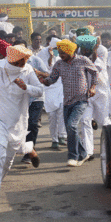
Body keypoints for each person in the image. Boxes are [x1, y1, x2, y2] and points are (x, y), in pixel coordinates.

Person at [0, 45, 43, 209]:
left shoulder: (28, 71)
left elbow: (39, 91)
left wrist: (26, 87)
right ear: (12, 60)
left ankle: (29, 148)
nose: (23, 64)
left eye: (25, 61)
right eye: (20, 61)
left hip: (17, 122)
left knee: (7, 162)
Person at [37, 39, 98, 167]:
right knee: (71, 129)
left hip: (81, 100)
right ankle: (84, 153)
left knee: (71, 126)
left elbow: (95, 72)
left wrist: (92, 87)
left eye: (63, 53)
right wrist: (43, 80)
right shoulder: (59, 64)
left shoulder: (83, 60)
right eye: (59, 53)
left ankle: (72, 157)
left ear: (70, 51)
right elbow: (52, 79)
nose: (60, 55)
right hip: (67, 102)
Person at [12, 40, 49, 164]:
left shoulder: (33, 62)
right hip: (17, 101)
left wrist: (35, 74)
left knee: (32, 124)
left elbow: (46, 75)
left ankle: (29, 152)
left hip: (35, 100)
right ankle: (28, 149)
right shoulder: (7, 65)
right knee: (18, 127)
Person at [76, 35, 111, 160]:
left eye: (87, 49)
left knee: (104, 122)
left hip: (100, 94)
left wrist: (95, 50)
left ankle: (110, 148)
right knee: (85, 121)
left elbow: (94, 71)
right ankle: (88, 151)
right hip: (85, 95)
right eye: (82, 48)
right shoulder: (78, 58)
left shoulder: (100, 59)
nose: (84, 51)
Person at [37, 37, 67, 149]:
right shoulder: (42, 54)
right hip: (49, 88)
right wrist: (50, 57)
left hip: (60, 87)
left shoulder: (61, 55)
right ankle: (54, 140)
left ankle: (62, 136)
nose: (56, 50)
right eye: (54, 48)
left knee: (61, 113)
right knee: (52, 116)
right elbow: (46, 71)